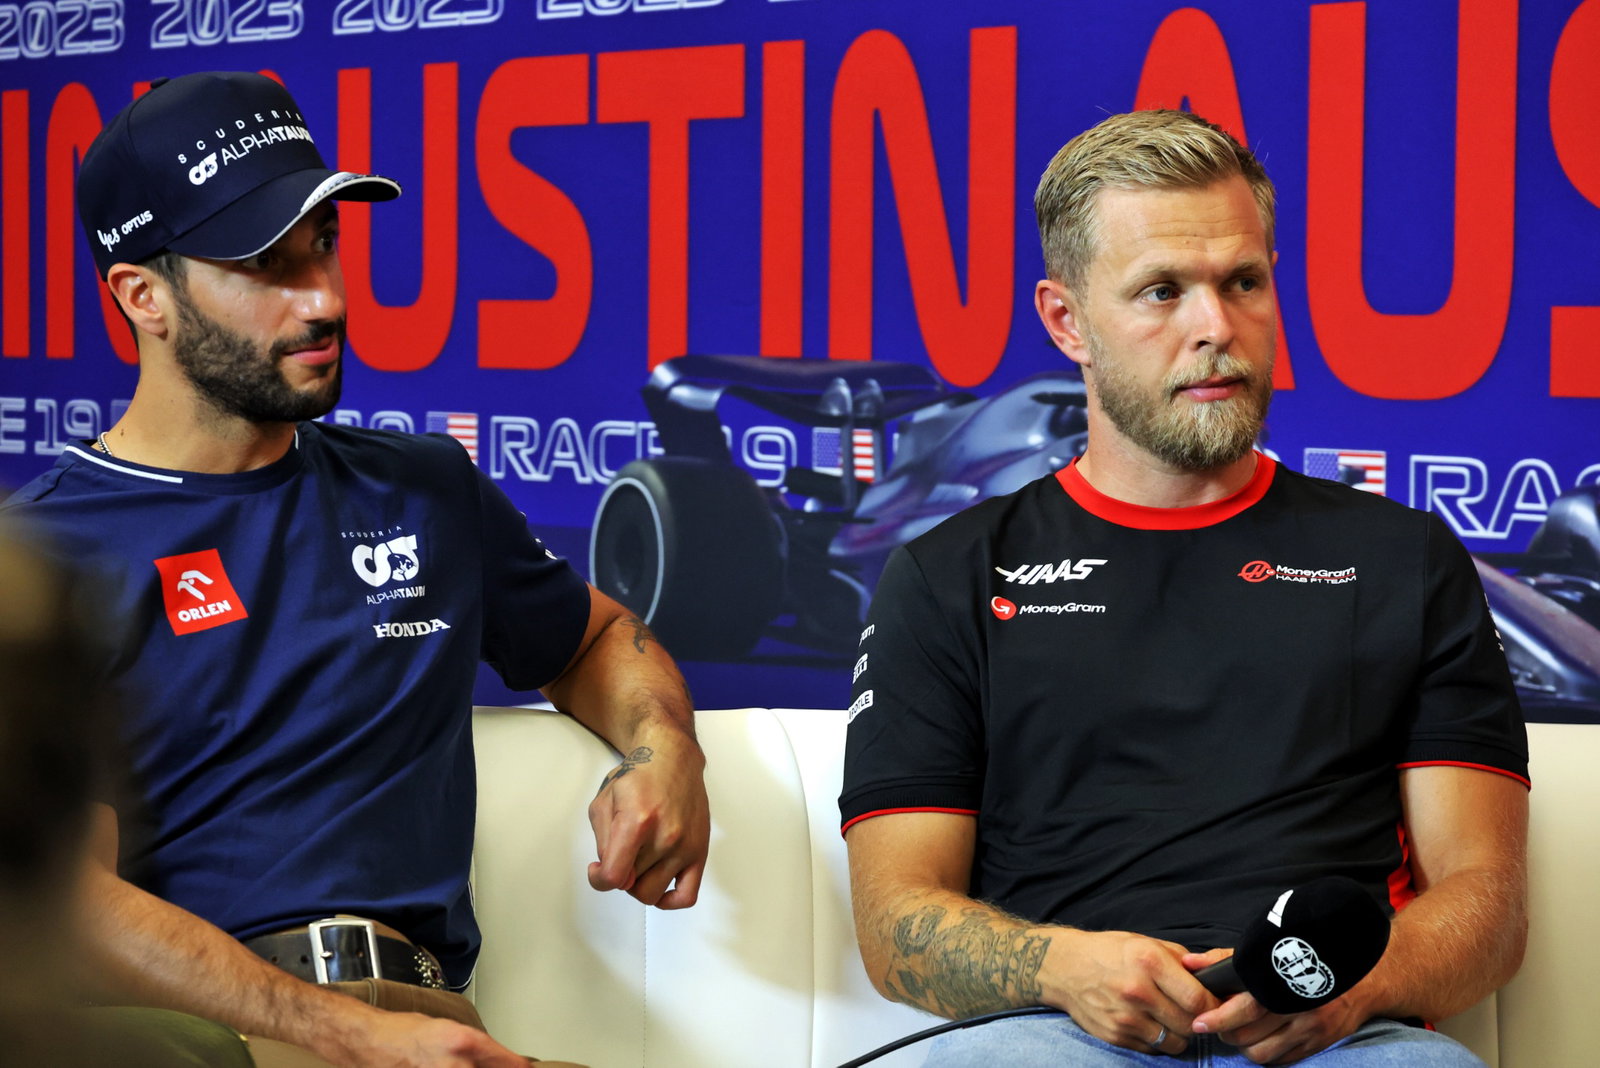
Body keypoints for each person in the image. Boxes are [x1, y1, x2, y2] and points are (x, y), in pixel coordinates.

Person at [0, 71, 709, 1068]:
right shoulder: (37, 561)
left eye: (323, 247)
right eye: (263, 265)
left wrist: (663, 748)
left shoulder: (425, 490)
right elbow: (67, 903)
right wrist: (349, 1033)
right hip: (206, 1039)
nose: (325, 298)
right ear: (142, 296)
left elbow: (591, 638)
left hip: (423, 1019)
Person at [839, 109, 1528, 1067]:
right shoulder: (947, 576)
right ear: (1066, 321)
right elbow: (895, 925)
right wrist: (1062, 966)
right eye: (1161, 291)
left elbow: (1486, 908)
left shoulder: (1404, 558)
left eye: (1243, 281)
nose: (1217, 327)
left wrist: (1344, 993)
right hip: (1047, 1037)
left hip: (1340, 1042)